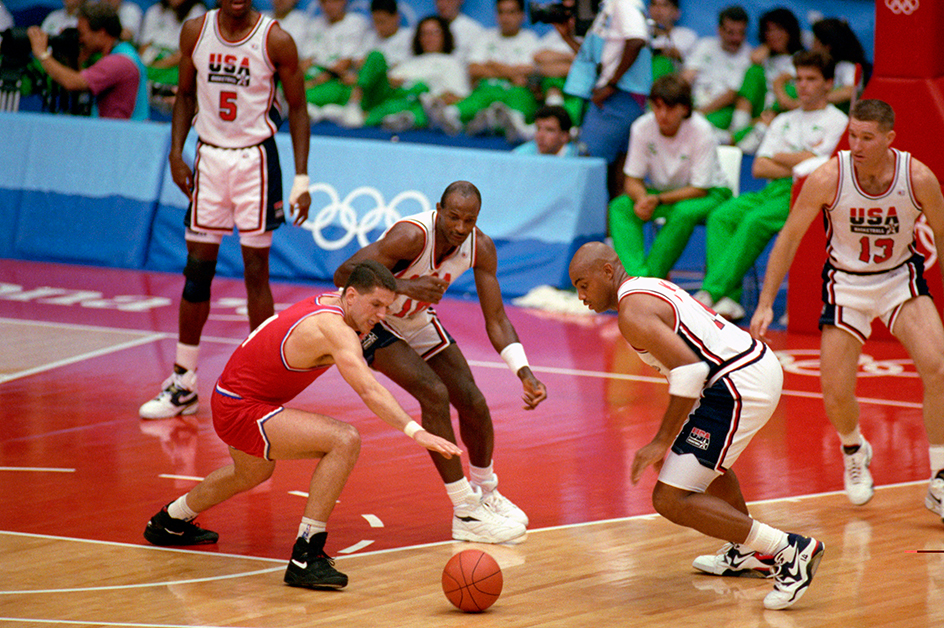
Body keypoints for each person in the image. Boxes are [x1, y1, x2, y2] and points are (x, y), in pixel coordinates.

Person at [142, 261, 463, 590]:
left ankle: (169, 521)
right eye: (376, 305)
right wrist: (416, 430)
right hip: (241, 407)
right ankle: (306, 556)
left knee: (251, 473)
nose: (382, 315)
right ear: (351, 296)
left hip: (234, 398)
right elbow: (368, 389)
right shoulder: (333, 328)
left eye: (387, 307)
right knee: (344, 439)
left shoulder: (331, 302)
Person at [569, 241, 825, 611]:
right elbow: (690, 367)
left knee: (670, 498)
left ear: (607, 272)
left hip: (736, 384)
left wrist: (660, 441)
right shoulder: (646, 287)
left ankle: (790, 550)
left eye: (583, 284)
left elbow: (690, 370)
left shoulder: (631, 312)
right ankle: (747, 551)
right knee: (701, 466)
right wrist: (672, 439)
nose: (580, 296)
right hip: (742, 370)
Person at [750, 99, 944, 515]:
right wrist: (766, 302)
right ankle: (855, 449)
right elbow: (789, 238)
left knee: (939, 367)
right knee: (835, 394)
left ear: (889, 139)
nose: (856, 144)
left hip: (899, 280)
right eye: (852, 135)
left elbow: (942, 237)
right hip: (847, 285)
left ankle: (941, 479)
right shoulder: (828, 177)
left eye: (866, 137)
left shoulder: (918, 177)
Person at [333, 181, 548, 544]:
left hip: (416, 319)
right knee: (434, 393)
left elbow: (496, 318)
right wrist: (404, 287)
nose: (461, 228)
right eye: (453, 217)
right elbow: (344, 274)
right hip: (374, 318)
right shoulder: (409, 237)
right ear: (438, 210)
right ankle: (465, 510)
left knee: (474, 401)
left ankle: (484, 493)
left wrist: (524, 372)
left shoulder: (481, 247)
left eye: (470, 220)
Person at [138, 0, 312, 419]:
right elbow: (182, 95)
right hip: (210, 159)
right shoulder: (195, 31)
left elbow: (300, 108)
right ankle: (183, 383)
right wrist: (177, 155)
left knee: (256, 272)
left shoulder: (276, 39)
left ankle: (263, 385)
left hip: (255, 160)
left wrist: (303, 179)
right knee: (197, 273)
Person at [692, 50, 848, 321]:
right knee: (721, 215)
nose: (802, 85)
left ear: (828, 83)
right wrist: (799, 159)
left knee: (755, 220)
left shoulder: (838, 122)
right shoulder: (783, 119)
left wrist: (781, 156)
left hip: (804, 194)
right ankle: (730, 300)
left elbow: (821, 168)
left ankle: (710, 292)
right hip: (771, 189)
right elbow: (759, 166)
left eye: (811, 79)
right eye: (798, 78)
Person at [608, 73, 731, 279]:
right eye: (657, 107)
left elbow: (699, 188)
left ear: (684, 108)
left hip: (709, 194)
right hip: (663, 194)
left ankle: (648, 281)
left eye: (670, 108)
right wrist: (641, 198)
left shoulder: (701, 130)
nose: (662, 114)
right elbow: (632, 180)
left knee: (683, 212)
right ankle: (634, 275)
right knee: (620, 207)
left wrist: (655, 199)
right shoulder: (641, 127)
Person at [569, 0, 650, 199]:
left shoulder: (624, 3)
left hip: (619, 98)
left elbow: (637, 40)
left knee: (589, 166)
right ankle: (612, 230)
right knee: (615, 175)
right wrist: (566, 36)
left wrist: (611, 84)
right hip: (619, 97)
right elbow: (598, 57)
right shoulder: (610, 6)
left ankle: (593, 229)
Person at [428, 0, 540, 141]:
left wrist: (492, 64)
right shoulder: (486, 36)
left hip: (515, 91)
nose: (505, 18)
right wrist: (511, 73)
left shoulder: (530, 38)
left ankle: (517, 127)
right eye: (501, 12)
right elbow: (473, 69)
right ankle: (449, 115)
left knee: (520, 93)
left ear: (522, 16)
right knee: (482, 93)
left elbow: (528, 72)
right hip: (488, 89)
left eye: (511, 12)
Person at [27, 2, 149, 120]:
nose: (79, 40)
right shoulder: (123, 51)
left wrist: (42, 53)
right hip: (119, 132)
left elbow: (74, 83)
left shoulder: (119, 61)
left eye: (82, 34)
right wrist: (73, 60)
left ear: (101, 33)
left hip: (125, 136)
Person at [357, 14, 471, 133]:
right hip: (393, 98)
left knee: (421, 96)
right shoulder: (409, 62)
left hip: (424, 105)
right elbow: (388, 83)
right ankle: (359, 109)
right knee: (376, 57)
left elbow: (460, 96)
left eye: (434, 32)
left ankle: (401, 119)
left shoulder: (452, 63)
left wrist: (435, 99)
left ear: (445, 35)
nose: (429, 38)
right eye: (424, 33)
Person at [317, 0, 414, 128]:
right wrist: (363, 75)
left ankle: (352, 105)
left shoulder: (409, 37)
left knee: (375, 56)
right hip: (366, 88)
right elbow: (358, 63)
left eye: (382, 22)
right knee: (336, 86)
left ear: (397, 17)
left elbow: (402, 73)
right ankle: (345, 110)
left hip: (387, 87)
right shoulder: (369, 36)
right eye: (375, 22)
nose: (379, 27)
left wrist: (367, 74)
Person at [732, 7, 805, 153]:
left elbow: (780, 83)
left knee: (791, 89)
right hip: (760, 107)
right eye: (768, 30)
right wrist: (769, 44)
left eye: (779, 30)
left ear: (790, 31)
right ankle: (739, 128)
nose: (773, 35)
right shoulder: (766, 56)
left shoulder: (800, 57)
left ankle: (745, 136)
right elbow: (755, 58)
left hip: (781, 109)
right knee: (754, 71)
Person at [681, 5, 751, 140]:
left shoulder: (748, 55)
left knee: (698, 130)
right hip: (694, 101)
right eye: (731, 32)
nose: (736, 38)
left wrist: (700, 112)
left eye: (741, 33)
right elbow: (687, 76)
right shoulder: (705, 45)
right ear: (719, 30)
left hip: (720, 109)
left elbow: (731, 94)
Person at [302, 0, 370, 115]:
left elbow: (346, 62)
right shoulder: (315, 24)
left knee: (332, 90)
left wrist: (314, 82)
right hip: (314, 74)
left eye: (333, 1)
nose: (328, 6)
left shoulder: (356, 22)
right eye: (324, 2)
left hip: (336, 78)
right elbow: (306, 61)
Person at [138, 0, 206, 88]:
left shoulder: (197, 12)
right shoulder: (155, 10)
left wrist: (159, 66)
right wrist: (147, 64)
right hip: (153, 58)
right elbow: (144, 45)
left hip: (178, 62)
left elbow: (186, 52)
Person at [648, 0, 697, 80]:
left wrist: (654, 51)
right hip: (642, 79)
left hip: (671, 83)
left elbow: (674, 53)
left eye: (665, 5)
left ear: (676, 13)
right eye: (654, 4)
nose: (658, 9)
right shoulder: (643, 34)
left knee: (662, 62)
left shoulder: (685, 35)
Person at [512, 104, 577, 156]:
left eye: (549, 130)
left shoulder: (577, 158)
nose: (540, 136)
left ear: (565, 136)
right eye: (538, 129)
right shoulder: (520, 155)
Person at [434, 0, 484, 64]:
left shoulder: (474, 30)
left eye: (448, 1)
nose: (443, 4)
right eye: (439, 0)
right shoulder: (427, 29)